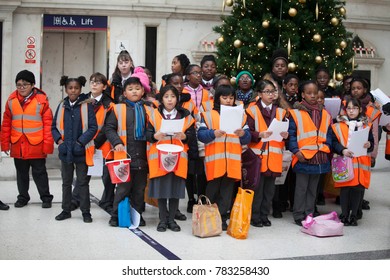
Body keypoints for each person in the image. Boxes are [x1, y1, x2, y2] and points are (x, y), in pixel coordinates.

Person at [198, 84, 251, 230]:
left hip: (232, 162)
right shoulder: (208, 115)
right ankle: (207, 217)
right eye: (224, 97)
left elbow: (247, 138)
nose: (228, 100)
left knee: (227, 192)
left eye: (231, 98)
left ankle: (221, 217)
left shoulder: (241, 115)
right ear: (217, 98)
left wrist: (243, 134)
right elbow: (201, 135)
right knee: (212, 190)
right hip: (215, 161)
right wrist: (212, 133)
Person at [146, 85, 196, 232]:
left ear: (177, 99)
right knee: (162, 190)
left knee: (175, 189)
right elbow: (147, 134)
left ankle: (172, 220)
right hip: (159, 157)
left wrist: (185, 136)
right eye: (166, 96)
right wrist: (154, 136)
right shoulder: (154, 114)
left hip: (179, 157)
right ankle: (162, 219)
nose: (169, 100)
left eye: (173, 96)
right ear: (161, 99)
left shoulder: (186, 116)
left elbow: (192, 136)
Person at [1, 70, 54, 208]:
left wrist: (48, 145)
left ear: (32, 85)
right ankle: (23, 197)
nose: (22, 87)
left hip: (36, 143)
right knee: (21, 173)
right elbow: (6, 123)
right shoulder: (11, 101)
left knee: (40, 173)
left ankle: (46, 198)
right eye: (19, 85)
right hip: (18, 143)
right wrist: (5, 144)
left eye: (25, 84)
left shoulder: (41, 101)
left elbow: (48, 125)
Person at [105, 73, 151, 227]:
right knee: (123, 188)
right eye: (130, 89)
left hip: (143, 156)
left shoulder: (149, 109)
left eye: (137, 88)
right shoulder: (117, 109)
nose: (134, 92)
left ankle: (137, 215)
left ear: (143, 91)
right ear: (124, 93)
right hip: (123, 156)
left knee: (139, 190)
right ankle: (115, 215)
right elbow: (109, 128)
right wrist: (116, 142)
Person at [52, 76, 97, 223]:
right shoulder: (62, 105)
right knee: (66, 182)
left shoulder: (86, 105)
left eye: (76, 88)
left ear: (80, 89)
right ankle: (66, 210)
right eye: (70, 88)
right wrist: (59, 141)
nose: (73, 90)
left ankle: (86, 212)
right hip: (65, 151)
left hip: (81, 151)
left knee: (82, 182)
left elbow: (92, 127)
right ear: (66, 89)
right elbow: (54, 127)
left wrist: (80, 143)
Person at [288, 80, 332, 226]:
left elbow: (329, 134)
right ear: (303, 95)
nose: (313, 96)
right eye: (309, 93)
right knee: (301, 188)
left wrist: (327, 146)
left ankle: (309, 213)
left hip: (319, 157)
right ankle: (298, 214)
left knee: (313, 189)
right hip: (303, 157)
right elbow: (292, 135)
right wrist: (296, 151)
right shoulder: (296, 113)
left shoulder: (325, 114)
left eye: (315, 93)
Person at [246, 80, 288, 227]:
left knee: (269, 190)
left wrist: (285, 135)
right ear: (259, 94)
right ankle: (255, 216)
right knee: (257, 189)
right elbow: (247, 133)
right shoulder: (252, 110)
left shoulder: (281, 112)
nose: (271, 95)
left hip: (274, 157)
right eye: (268, 91)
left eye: (273, 92)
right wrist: (259, 134)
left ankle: (264, 215)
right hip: (258, 157)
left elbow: (286, 133)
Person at [331, 97, 374, 226]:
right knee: (345, 191)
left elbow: (371, 143)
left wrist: (369, 144)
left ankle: (354, 215)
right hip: (345, 162)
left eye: (354, 108)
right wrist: (342, 150)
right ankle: (344, 214)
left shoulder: (366, 125)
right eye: (348, 108)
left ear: (360, 110)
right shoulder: (338, 126)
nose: (351, 111)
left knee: (357, 190)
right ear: (345, 110)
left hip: (361, 164)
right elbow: (334, 142)